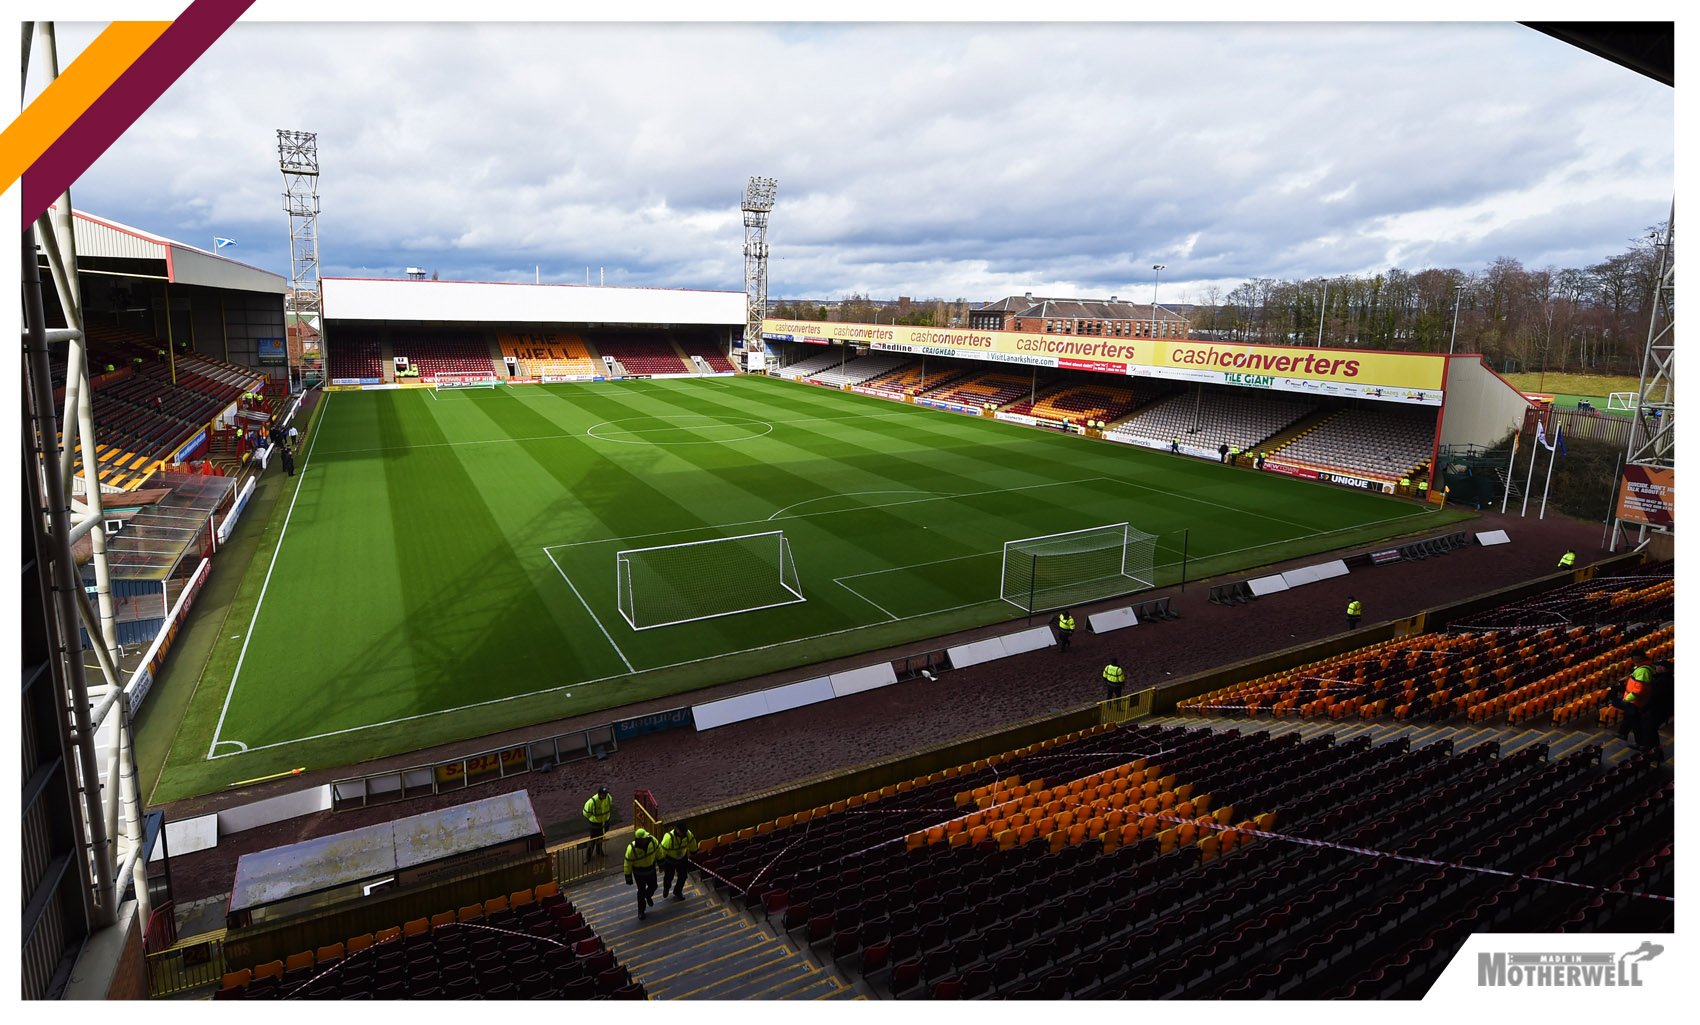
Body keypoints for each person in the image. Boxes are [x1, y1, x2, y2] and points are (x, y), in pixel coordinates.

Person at [624, 827, 661, 920]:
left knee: (654, 886)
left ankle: (648, 896)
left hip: (651, 871)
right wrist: (628, 876)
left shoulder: (653, 841)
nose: (646, 839)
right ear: (639, 839)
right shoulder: (631, 849)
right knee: (641, 892)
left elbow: (659, 852)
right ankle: (641, 911)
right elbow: (627, 864)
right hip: (639, 874)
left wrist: (661, 863)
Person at [659, 821, 698, 901]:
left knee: (683, 876)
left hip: (682, 858)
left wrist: (694, 852)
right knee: (669, 877)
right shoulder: (668, 838)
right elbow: (662, 852)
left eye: (684, 831)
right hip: (670, 860)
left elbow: (692, 843)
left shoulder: (688, 834)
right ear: (676, 829)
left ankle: (677, 892)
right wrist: (661, 865)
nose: (683, 833)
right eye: (681, 831)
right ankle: (666, 888)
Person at [583, 785, 614, 858]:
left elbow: (610, 806)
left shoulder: (609, 797)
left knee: (601, 838)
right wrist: (594, 819)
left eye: (606, 794)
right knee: (593, 840)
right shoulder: (592, 802)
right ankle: (588, 856)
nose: (605, 796)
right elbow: (586, 813)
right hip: (595, 825)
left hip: (604, 823)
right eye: (604, 794)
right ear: (599, 794)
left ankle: (599, 851)